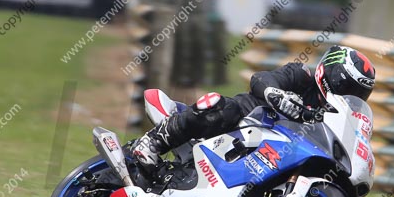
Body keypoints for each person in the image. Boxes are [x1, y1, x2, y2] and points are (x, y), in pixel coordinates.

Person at [131, 45, 376, 174]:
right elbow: (261, 78)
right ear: (331, 74)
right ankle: (153, 142)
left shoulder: (334, 119)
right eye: (347, 87)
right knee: (221, 106)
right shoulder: (301, 75)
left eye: (358, 94)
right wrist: (274, 94)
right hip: (242, 125)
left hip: (271, 157)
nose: (350, 96)